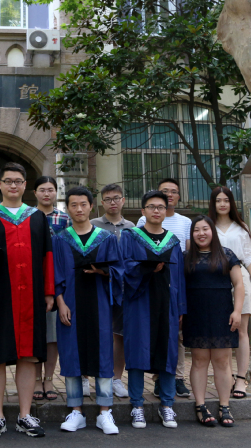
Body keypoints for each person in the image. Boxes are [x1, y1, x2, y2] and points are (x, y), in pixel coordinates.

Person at [0, 162, 54, 438]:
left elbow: (48, 256)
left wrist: (49, 291)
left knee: (28, 355)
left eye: (18, 181)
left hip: (31, 296)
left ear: (25, 185)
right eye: (8, 181)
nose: (13, 185)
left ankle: (25, 415)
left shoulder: (37, 217)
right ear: (0, 185)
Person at [54, 186, 122, 435]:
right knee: (72, 355)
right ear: (68, 208)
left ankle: (105, 411)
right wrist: (61, 303)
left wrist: (102, 271)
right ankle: (76, 411)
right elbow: (55, 275)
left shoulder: (106, 238)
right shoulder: (60, 239)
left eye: (83, 204)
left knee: (103, 354)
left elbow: (119, 271)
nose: (79, 209)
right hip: (70, 305)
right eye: (73, 205)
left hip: (99, 305)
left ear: (91, 206)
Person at [120, 190, 186, 430]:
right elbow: (124, 268)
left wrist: (181, 307)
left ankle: (167, 404)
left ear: (166, 211)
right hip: (139, 303)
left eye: (160, 207)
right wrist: (148, 269)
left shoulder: (173, 241)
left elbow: (179, 277)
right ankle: (137, 405)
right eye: (151, 207)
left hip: (167, 304)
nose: (156, 211)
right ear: (143, 211)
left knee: (168, 353)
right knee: (137, 351)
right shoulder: (130, 237)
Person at [183, 215, 244, 427]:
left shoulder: (227, 255)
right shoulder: (185, 257)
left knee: (222, 361)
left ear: (212, 232)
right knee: (199, 360)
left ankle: (224, 406)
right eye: (196, 230)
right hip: (195, 313)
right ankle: (200, 405)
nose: (201, 233)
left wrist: (237, 311)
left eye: (205, 229)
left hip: (222, 313)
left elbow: (239, 284)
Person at [136, 178, 191, 398]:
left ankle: (176, 381)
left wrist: (181, 301)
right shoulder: (139, 227)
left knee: (173, 339)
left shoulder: (183, 226)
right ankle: (155, 383)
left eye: (173, 192)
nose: (169, 195)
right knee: (151, 337)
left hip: (171, 288)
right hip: (147, 290)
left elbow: (184, 261)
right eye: (164, 192)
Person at [209, 186, 251, 400]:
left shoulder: (241, 227)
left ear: (231, 203)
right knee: (221, 331)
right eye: (218, 200)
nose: (222, 204)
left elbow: (248, 256)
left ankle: (241, 378)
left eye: (226, 200)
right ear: (213, 203)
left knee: (241, 330)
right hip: (214, 279)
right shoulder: (208, 226)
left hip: (241, 278)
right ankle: (227, 376)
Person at [91, 183, 134, 399]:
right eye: (108, 199)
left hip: (122, 289)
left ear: (123, 200)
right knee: (95, 333)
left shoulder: (132, 227)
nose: (113, 202)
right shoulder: (93, 225)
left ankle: (116, 378)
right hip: (97, 287)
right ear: (102, 202)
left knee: (120, 335)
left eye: (116, 198)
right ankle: (89, 376)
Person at [33, 176, 66, 402]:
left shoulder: (64, 218)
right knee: (36, 332)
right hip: (33, 280)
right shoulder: (27, 217)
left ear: (56, 192)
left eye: (50, 190)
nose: (46, 194)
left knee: (52, 334)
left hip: (56, 279)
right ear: (35, 192)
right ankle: (36, 378)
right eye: (42, 190)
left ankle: (48, 378)